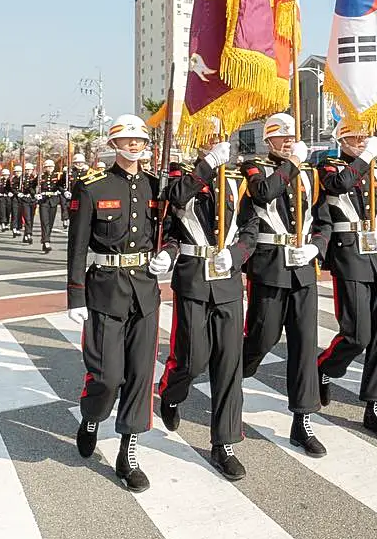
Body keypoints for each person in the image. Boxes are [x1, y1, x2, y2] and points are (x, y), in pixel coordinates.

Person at [67, 114, 162, 493]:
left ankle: (128, 452)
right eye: (126, 140)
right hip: (105, 288)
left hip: (145, 288)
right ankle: (91, 417)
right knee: (107, 376)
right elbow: (77, 248)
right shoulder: (92, 186)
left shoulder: (158, 186)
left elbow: (169, 230)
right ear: (114, 145)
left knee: (140, 375)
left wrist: (167, 252)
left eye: (139, 140)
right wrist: (75, 295)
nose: (134, 146)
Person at [157, 135, 257, 481]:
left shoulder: (238, 179)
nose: (218, 142)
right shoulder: (179, 176)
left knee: (229, 363)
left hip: (228, 279)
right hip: (194, 279)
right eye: (210, 137)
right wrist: (208, 165)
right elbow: (176, 200)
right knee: (192, 358)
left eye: (221, 137)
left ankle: (224, 443)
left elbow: (251, 227)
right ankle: (171, 392)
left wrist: (239, 253)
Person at [239, 112, 328, 456]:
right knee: (263, 337)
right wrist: (291, 163)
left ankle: (302, 420)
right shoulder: (254, 166)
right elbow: (263, 194)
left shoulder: (309, 174)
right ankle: (235, 377)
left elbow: (323, 219)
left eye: (293, 136)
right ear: (269, 140)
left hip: (303, 267)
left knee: (305, 345)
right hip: (270, 266)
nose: (290, 140)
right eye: (282, 136)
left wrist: (316, 247)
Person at [315, 120, 377, 442]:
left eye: (364, 136)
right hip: (349, 258)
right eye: (353, 137)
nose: (360, 140)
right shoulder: (329, 166)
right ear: (341, 140)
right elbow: (338, 185)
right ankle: (324, 367)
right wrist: (365, 158)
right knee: (356, 335)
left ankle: (375, 406)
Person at [37, 159, 63, 253]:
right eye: (47, 167)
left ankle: (45, 239)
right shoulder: (41, 176)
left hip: (53, 200)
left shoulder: (58, 176)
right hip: (43, 201)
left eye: (50, 167)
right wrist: (36, 194)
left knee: (50, 223)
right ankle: (46, 241)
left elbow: (61, 185)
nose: (49, 168)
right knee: (44, 222)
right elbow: (34, 187)